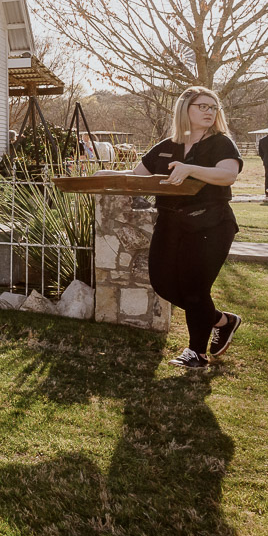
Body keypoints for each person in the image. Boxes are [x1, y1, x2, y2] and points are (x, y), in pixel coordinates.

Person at [101, 87, 244, 369]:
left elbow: (228, 175)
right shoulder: (166, 146)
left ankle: (197, 354)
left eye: (213, 108)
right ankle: (223, 320)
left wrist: (191, 169)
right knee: (163, 283)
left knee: (195, 288)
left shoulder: (221, 143)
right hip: (169, 222)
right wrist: (104, 175)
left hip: (211, 224)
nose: (209, 112)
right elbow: (135, 178)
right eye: (202, 106)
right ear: (185, 109)